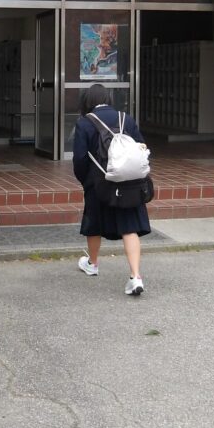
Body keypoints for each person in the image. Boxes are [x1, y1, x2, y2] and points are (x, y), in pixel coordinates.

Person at [72, 84, 151, 296]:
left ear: (87, 101)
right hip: (128, 183)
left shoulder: (84, 123)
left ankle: (93, 263)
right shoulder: (127, 119)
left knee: (94, 223)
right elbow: (142, 148)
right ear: (108, 98)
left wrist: (86, 181)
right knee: (129, 227)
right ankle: (136, 276)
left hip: (99, 182)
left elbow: (80, 159)